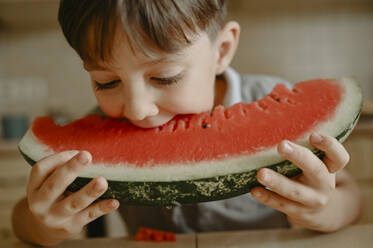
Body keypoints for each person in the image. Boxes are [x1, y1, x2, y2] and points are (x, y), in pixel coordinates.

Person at [12, 0, 362, 246]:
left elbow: (350, 196)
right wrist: (44, 225)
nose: (138, 109)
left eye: (165, 77)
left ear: (222, 50)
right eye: (106, 82)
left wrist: (324, 209)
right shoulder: (96, 131)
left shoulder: (274, 100)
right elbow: (21, 222)